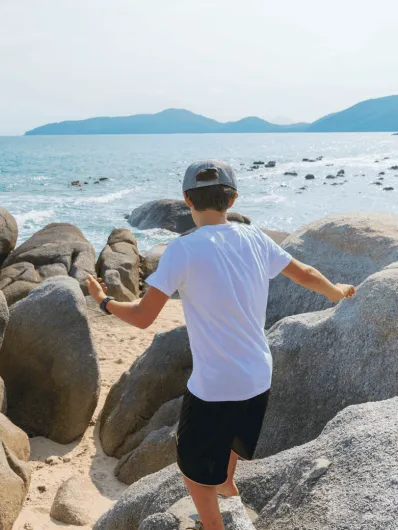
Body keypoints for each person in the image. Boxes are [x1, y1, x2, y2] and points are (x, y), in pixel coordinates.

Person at [86, 160, 355, 530]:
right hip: (259, 374)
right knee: (233, 438)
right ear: (233, 198)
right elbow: (304, 273)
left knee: (191, 465)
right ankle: (227, 484)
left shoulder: (182, 250)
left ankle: (214, 525)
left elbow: (143, 316)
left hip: (214, 386)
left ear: (186, 200)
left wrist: (104, 302)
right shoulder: (255, 237)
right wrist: (335, 291)